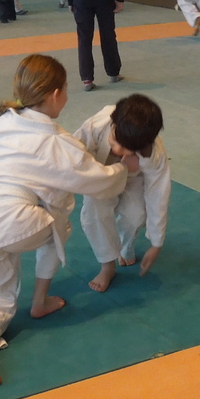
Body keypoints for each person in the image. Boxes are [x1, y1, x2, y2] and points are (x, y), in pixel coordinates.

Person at [0, 54, 134, 387]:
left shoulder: (0, 124)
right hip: (18, 222)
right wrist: (122, 168)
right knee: (60, 215)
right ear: (56, 94)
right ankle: (39, 302)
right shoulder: (56, 142)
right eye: (66, 90)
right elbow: (97, 180)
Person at [75, 94, 170, 293]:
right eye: (114, 141)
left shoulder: (154, 154)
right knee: (95, 213)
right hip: (99, 176)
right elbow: (72, 155)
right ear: (113, 124)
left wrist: (156, 243)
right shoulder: (98, 124)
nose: (117, 150)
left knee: (136, 216)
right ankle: (107, 266)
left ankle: (126, 245)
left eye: (126, 149)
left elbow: (158, 196)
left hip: (133, 178)